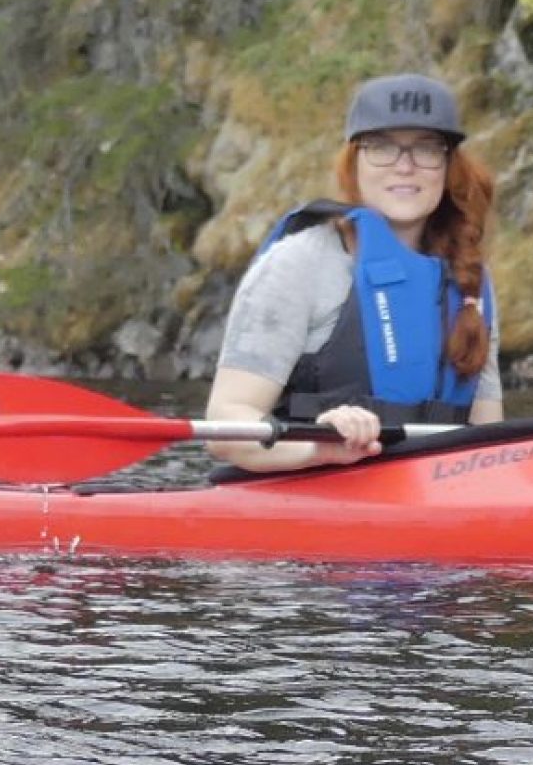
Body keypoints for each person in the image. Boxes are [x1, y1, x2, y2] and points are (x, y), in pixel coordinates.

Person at [203, 72, 501, 472]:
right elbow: (225, 424)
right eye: (381, 147)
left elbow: (492, 445)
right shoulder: (298, 263)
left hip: (431, 503)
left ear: (448, 167)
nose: (405, 166)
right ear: (353, 161)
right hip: (309, 498)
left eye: (427, 149)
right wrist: (317, 446)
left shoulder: (469, 285)